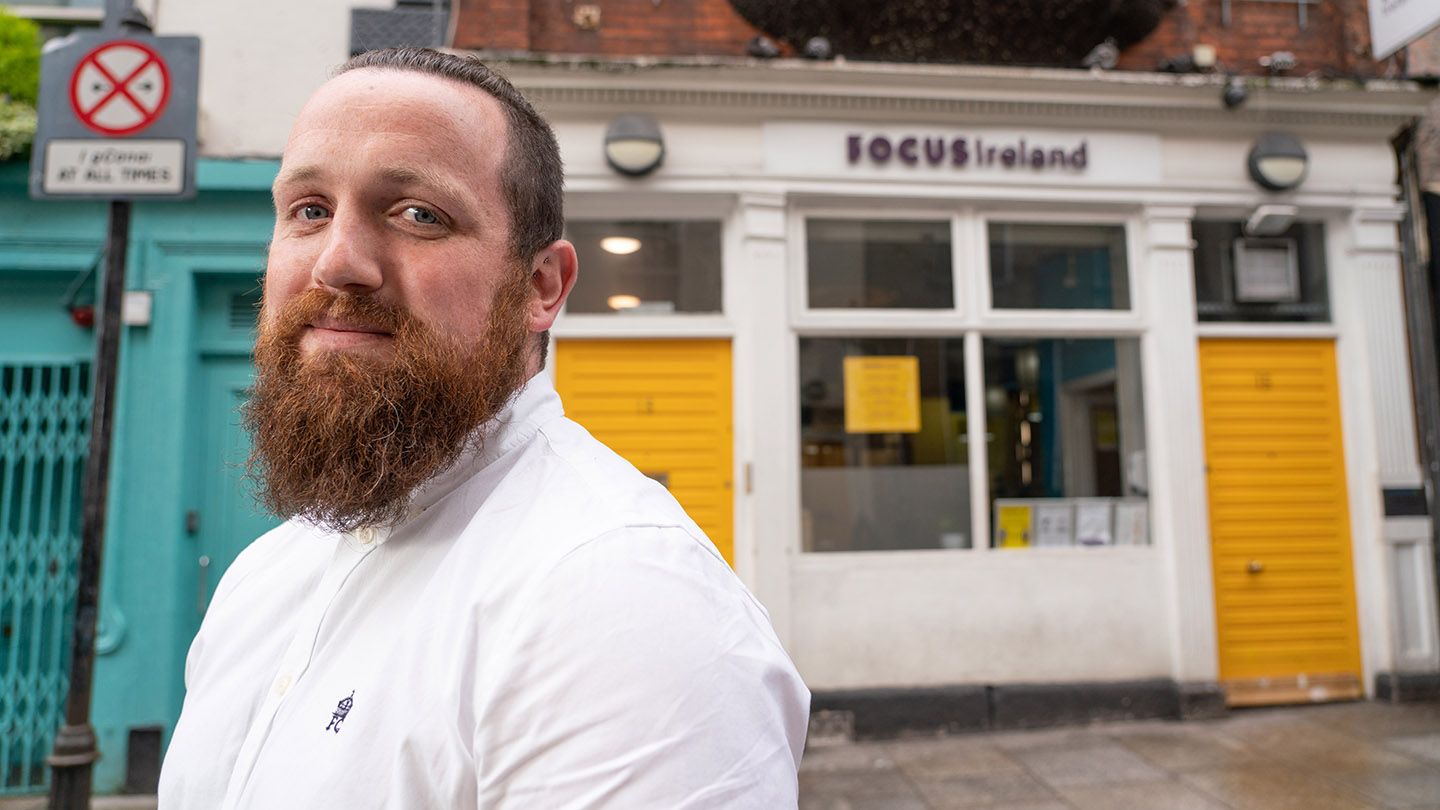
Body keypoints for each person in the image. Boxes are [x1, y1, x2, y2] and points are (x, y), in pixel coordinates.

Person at [157, 47, 810, 809]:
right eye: (309, 210)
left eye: (417, 215)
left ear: (541, 287)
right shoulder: (267, 574)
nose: (337, 263)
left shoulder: (619, 601)